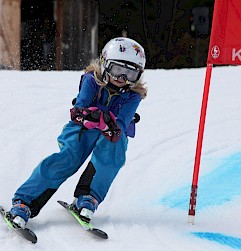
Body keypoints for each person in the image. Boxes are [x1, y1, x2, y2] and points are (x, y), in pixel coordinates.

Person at [8, 37, 147, 229]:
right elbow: (80, 110)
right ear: (106, 63)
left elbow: (119, 126)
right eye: (117, 70)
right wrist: (101, 119)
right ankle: (25, 202)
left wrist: (107, 124)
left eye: (130, 74)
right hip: (81, 129)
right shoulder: (92, 80)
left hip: (108, 134)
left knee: (113, 151)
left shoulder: (133, 95)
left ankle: (88, 197)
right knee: (68, 158)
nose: (121, 78)